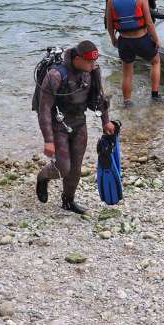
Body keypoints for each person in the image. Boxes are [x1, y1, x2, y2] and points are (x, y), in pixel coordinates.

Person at [35, 41, 114, 214]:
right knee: (64, 167)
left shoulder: (92, 72)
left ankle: (68, 201)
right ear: (77, 58)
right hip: (59, 124)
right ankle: (43, 176)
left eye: (95, 61)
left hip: (79, 123)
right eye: (89, 62)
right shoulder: (55, 76)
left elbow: (100, 99)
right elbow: (44, 110)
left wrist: (106, 122)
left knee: (76, 168)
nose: (93, 66)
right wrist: (48, 140)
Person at [106, 0, 162, 105]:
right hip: (141, 38)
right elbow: (149, 22)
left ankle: (127, 102)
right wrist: (156, 39)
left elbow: (109, 24)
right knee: (155, 61)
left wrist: (113, 39)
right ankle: (154, 95)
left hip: (124, 41)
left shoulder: (111, 0)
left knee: (127, 72)